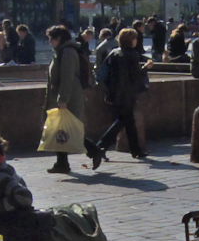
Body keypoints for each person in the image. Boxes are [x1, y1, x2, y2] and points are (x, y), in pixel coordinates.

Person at [88, 28, 148, 168]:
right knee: (123, 121)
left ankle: (136, 150)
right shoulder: (132, 55)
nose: (136, 41)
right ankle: (100, 146)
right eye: (134, 38)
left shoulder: (114, 53)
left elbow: (103, 74)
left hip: (115, 93)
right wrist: (146, 67)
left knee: (128, 121)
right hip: (127, 93)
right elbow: (136, 75)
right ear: (130, 40)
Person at [42, 25, 91, 175]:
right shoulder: (61, 51)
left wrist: (63, 99)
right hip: (62, 96)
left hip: (67, 98)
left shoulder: (67, 52)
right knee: (60, 130)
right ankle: (62, 163)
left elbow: (67, 78)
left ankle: (94, 151)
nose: (50, 42)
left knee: (67, 130)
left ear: (59, 39)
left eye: (52, 39)